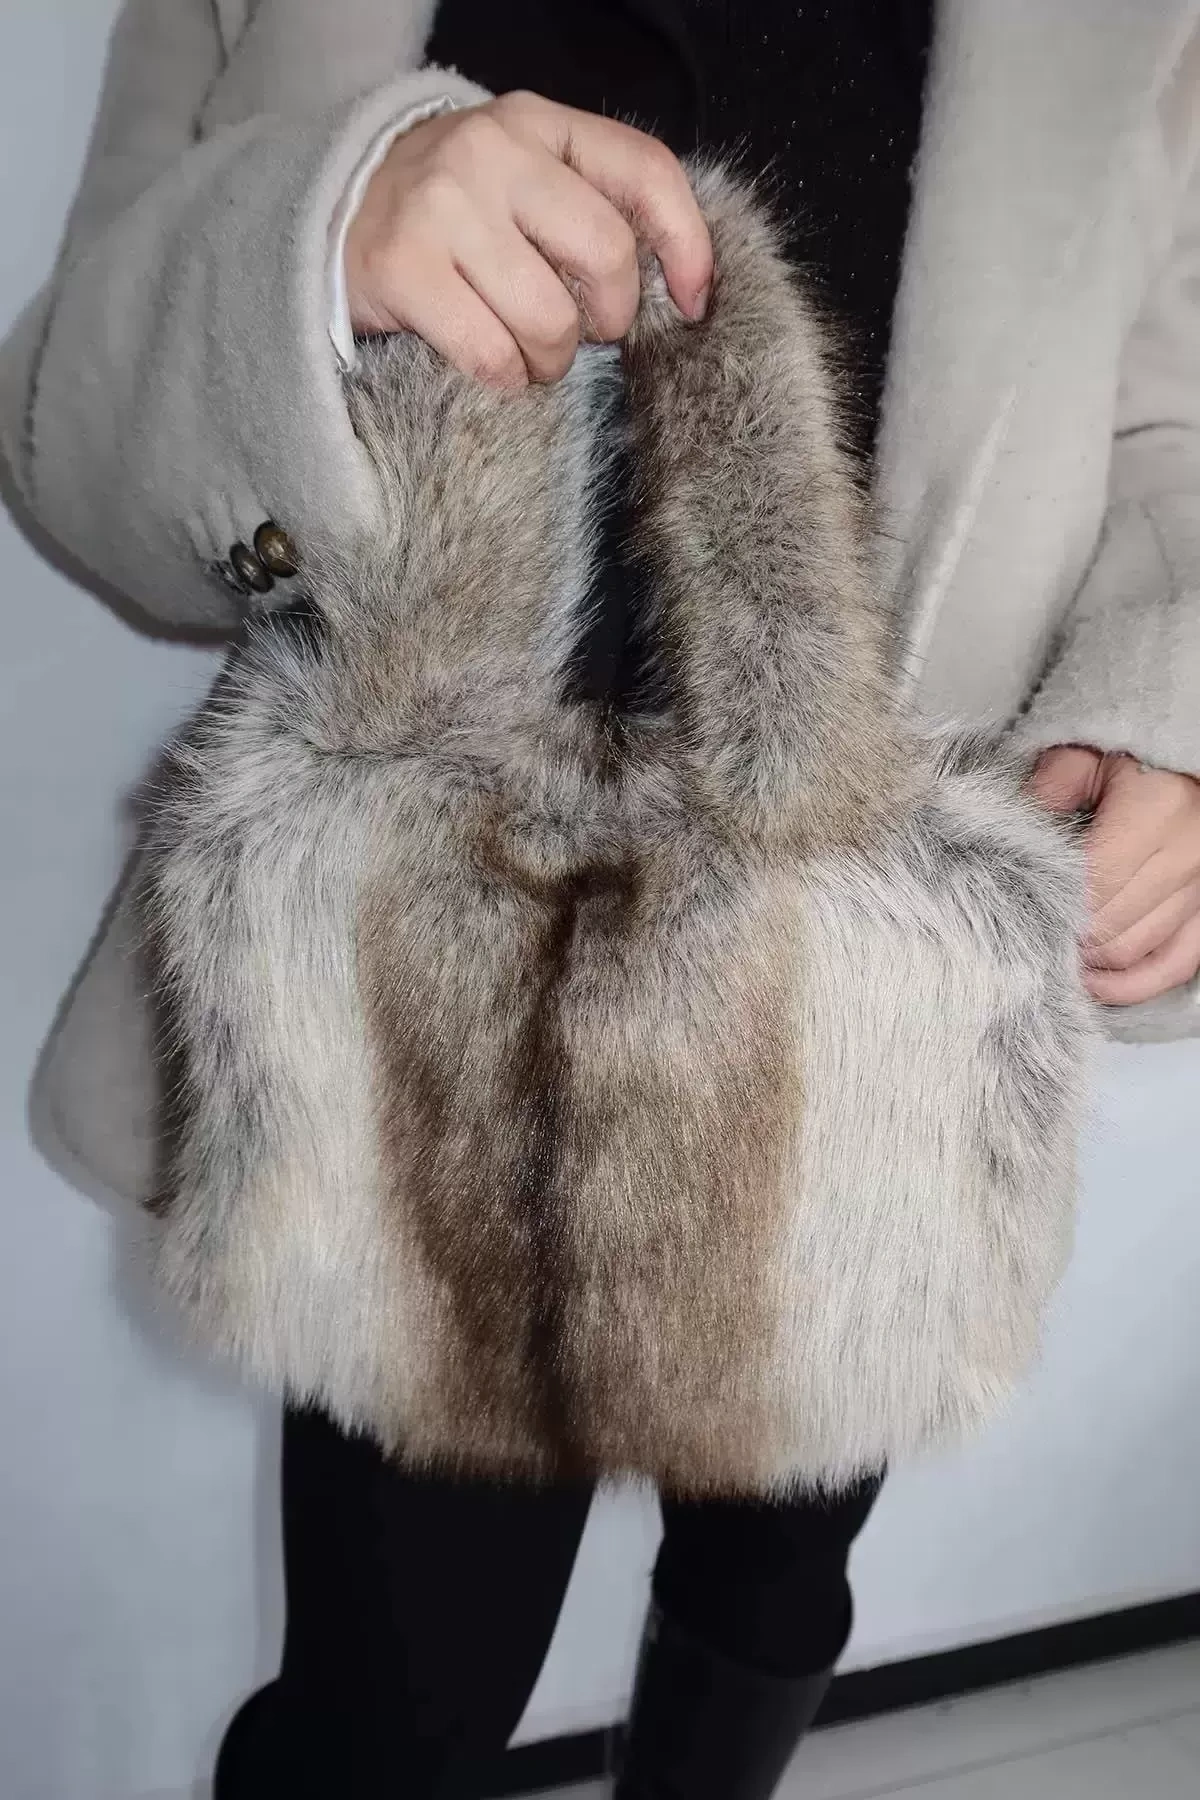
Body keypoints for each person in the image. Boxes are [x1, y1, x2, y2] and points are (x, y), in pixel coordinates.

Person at [3, 3, 1200, 1798]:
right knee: (391, 1709)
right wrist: (324, 244)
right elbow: (64, 427)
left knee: (777, 1579)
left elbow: (1168, 423)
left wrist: (1167, 707)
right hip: (427, 1000)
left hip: (865, 989)